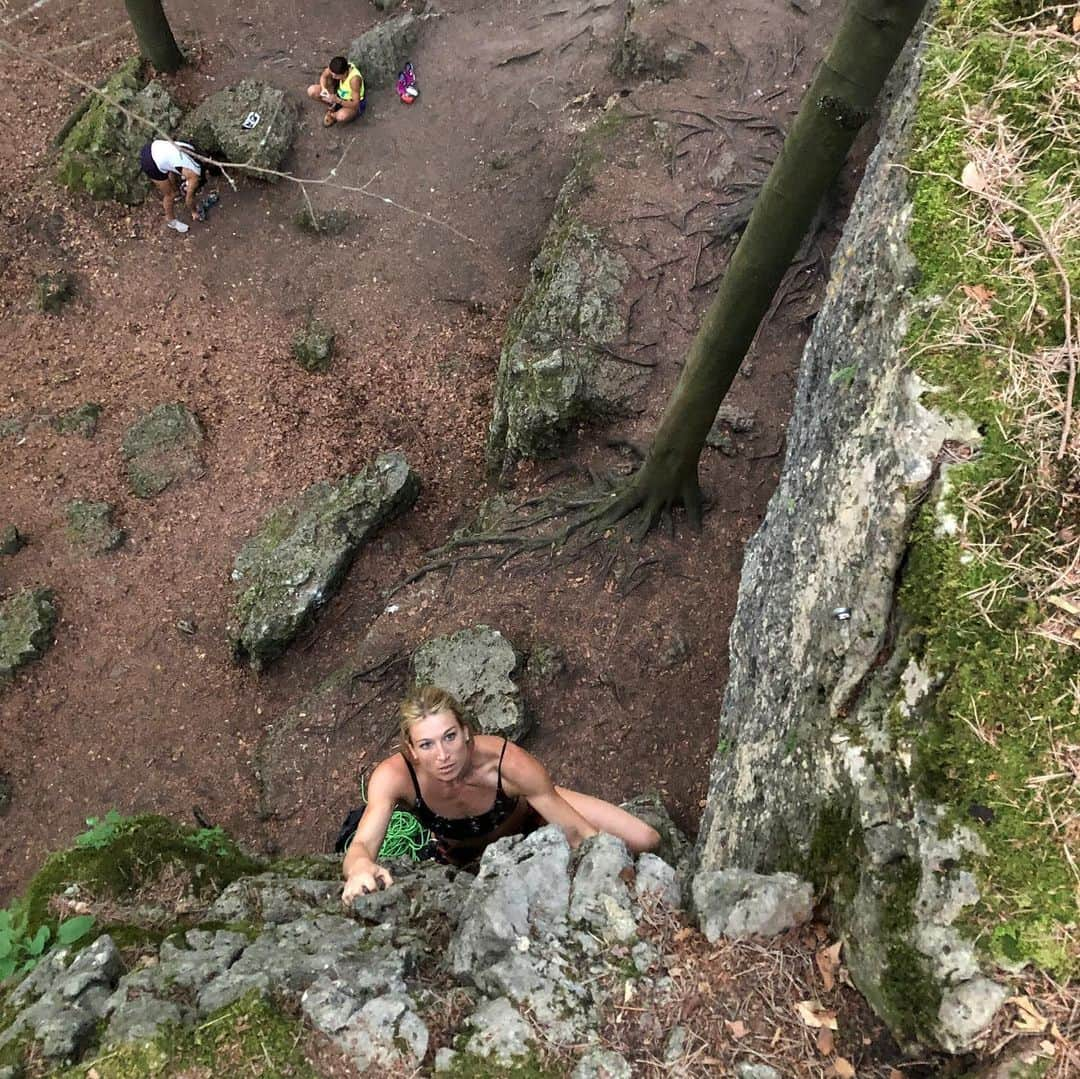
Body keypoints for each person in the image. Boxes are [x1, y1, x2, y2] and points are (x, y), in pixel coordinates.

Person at [341, 686, 661, 901]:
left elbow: (578, 832)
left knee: (645, 839)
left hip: (534, 821)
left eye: (449, 737)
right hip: (461, 857)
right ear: (411, 749)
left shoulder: (507, 763)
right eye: (427, 744)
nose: (443, 754)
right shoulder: (395, 778)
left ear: (466, 731)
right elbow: (363, 844)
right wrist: (358, 869)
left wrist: (611, 875)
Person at [139, 139, 207, 234]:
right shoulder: (194, 176)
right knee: (169, 195)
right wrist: (194, 212)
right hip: (151, 162)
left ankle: (176, 190)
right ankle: (171, 221)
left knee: (170, 168)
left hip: (155, 147)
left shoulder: (191, 148)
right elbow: (189, 199)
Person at [307, 55, 366, 128]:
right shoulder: (335, 67)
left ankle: (333, 115)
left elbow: (355, 104)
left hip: (351, 102)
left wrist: (338, 101)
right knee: (312, 91)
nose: (333, 76)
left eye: (336, 75)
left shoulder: (354, 80)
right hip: (339, 94)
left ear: (344, 73)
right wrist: (323, 89)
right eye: (332, 74)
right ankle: (332, 106)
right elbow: (324, 76)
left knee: (341, 116)